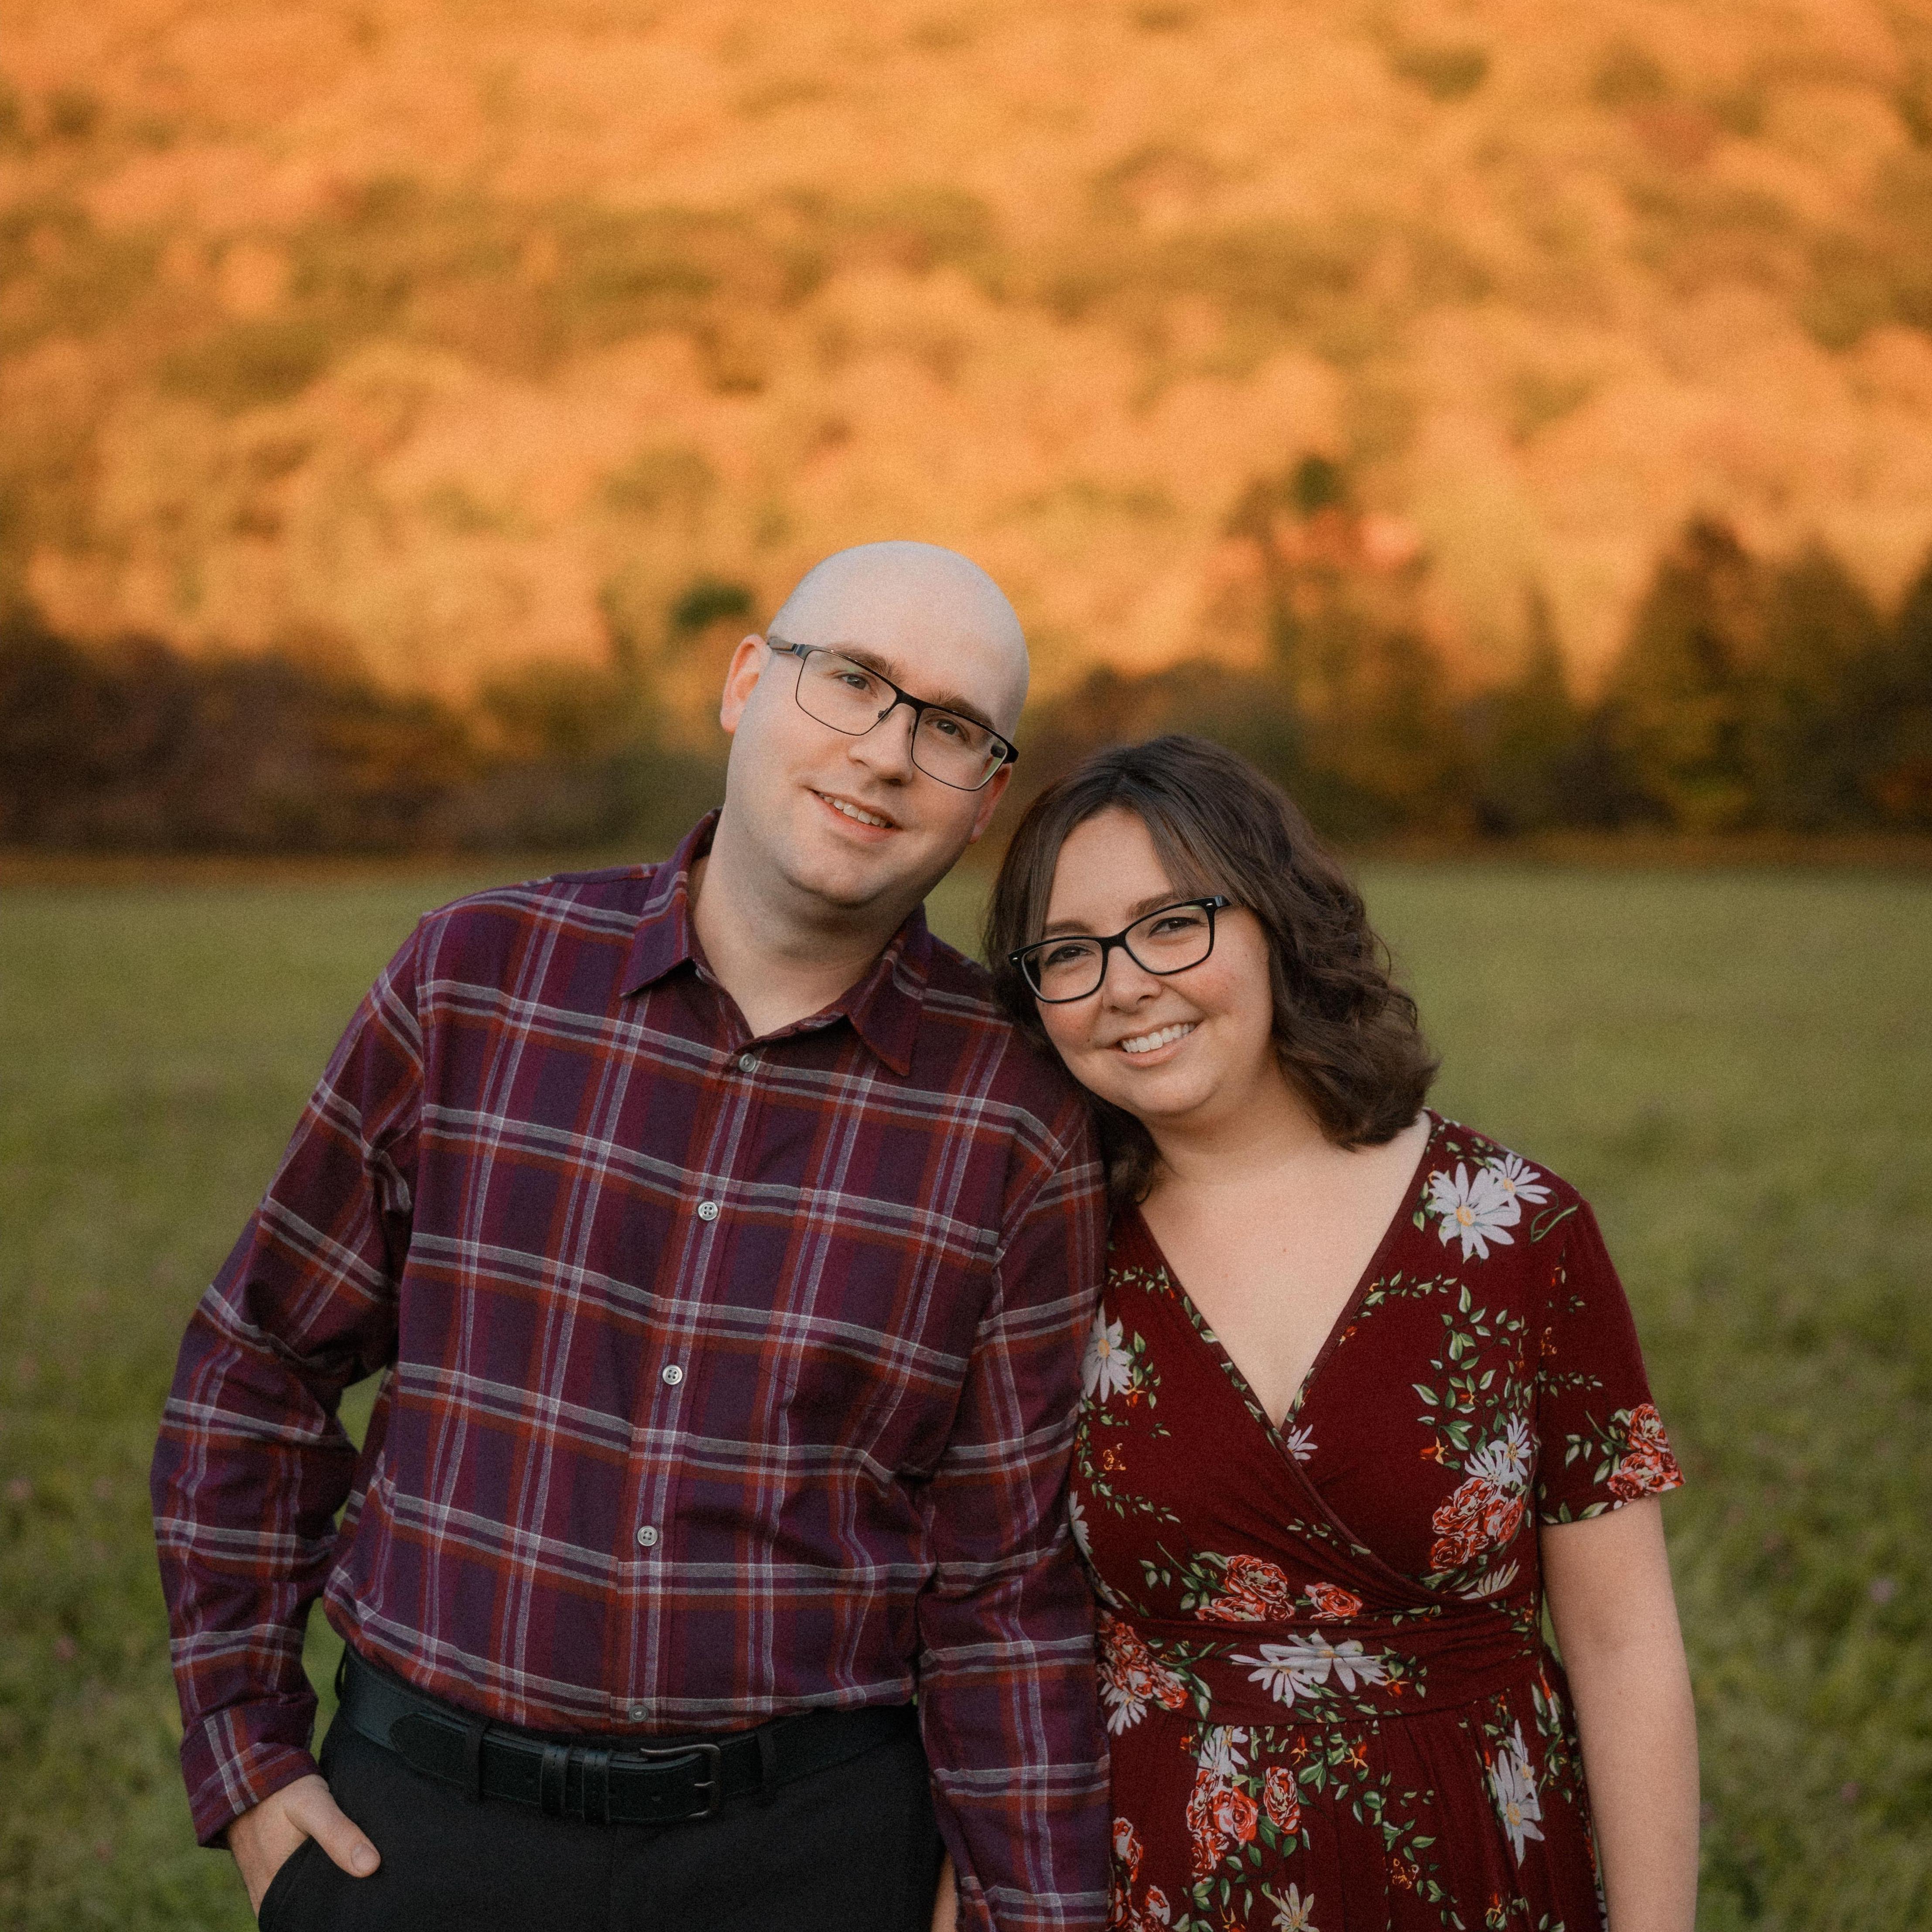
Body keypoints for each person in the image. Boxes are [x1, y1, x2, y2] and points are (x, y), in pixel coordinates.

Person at [150, 542, 1111, 1932]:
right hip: (420, 1834)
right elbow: (259, 1366)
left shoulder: (1015, 1112)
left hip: (810, 1861)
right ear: (744, 685)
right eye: (852, 681)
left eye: (950, 726)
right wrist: (244, 1754)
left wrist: (1029, 1906)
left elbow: (1006, 1579)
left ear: (986, 800)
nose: (888, 754)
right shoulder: (476, 979)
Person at [981, 734, 1699, 1932]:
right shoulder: (1046, 1258)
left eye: (1172, 924)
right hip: (1156, 1886)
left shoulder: (1517, 1233)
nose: (1124, 984)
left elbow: (1625, 1645)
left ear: (1274, 921)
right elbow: (992, 1644)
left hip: (1484, 1874)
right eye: (1068, 952)